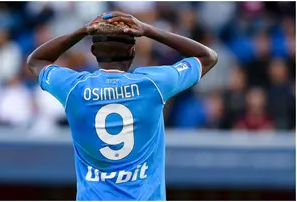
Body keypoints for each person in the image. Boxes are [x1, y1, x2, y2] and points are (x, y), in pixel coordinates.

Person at [27, 11, 217, 201]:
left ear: (93, 52)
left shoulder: (74, 87)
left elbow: (36, 61)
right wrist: (149, 30)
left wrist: (82, 31)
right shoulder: (152, 84)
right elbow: (207, 56)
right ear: (132, 51)